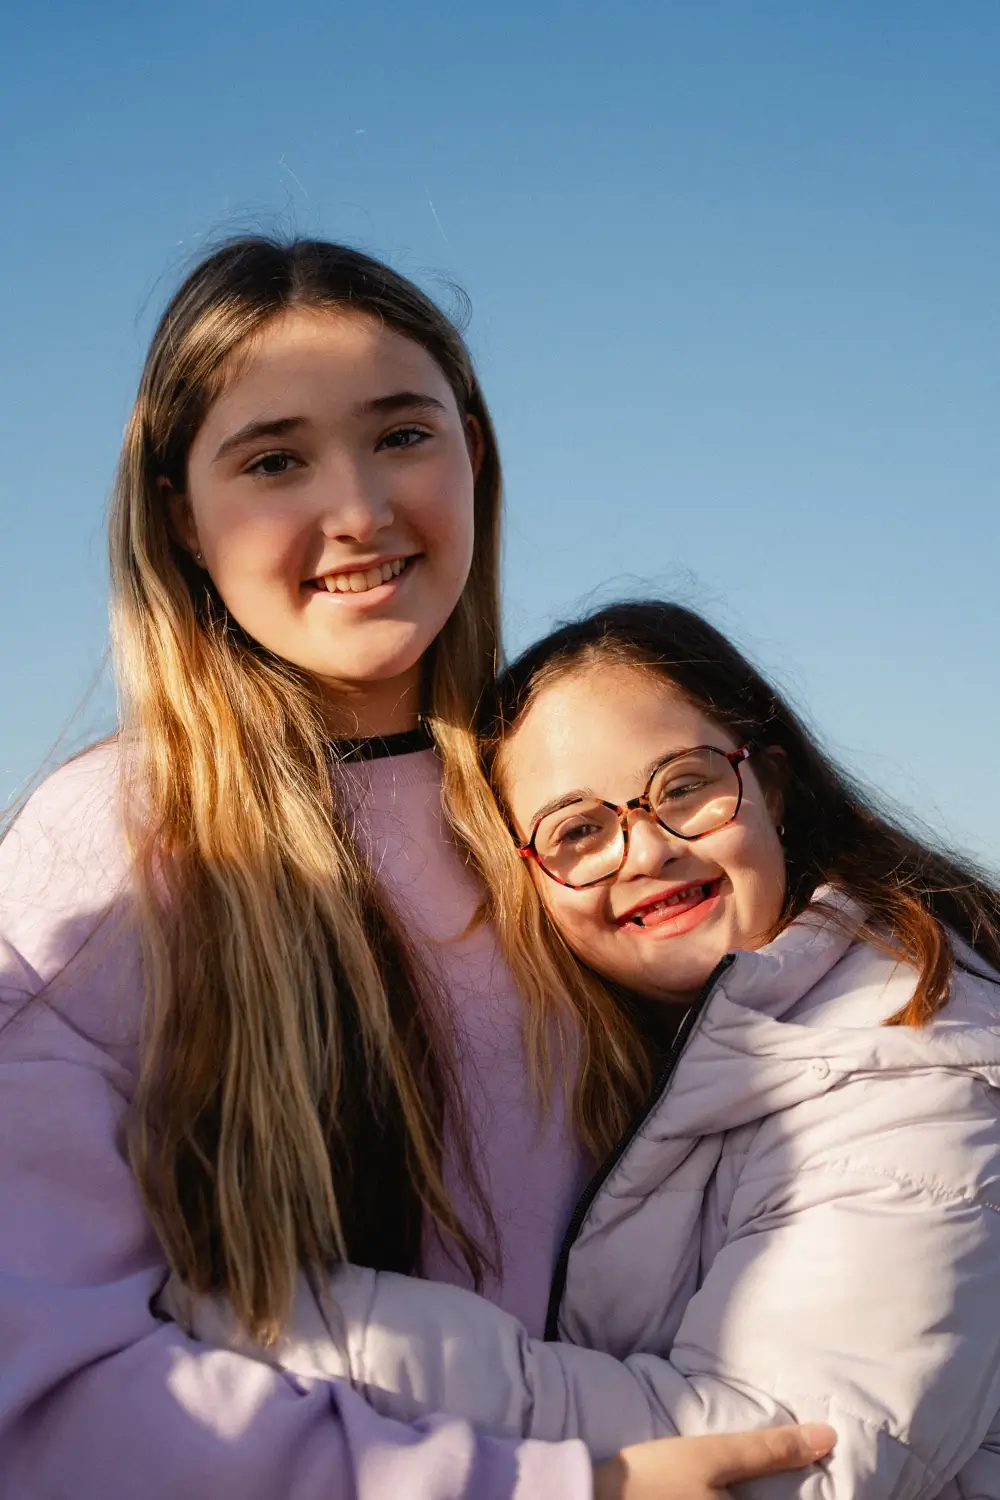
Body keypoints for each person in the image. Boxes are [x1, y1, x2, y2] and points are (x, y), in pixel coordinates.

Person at [0, 240, 832, 1500]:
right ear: (181, 512)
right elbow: (44, 1388)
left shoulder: (565, 812)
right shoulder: (116, 846)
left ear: (474, 452)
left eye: (400, 435)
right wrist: (553, 1489)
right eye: (275, 460)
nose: (360, 511)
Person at [169, 601, 1000, 1500]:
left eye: (684, 786)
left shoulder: (914, 1061)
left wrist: (305, 1323)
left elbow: (797, 1457)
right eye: (578, 831)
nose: (645, 848)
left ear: (774, 787)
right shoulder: (636, 1057)